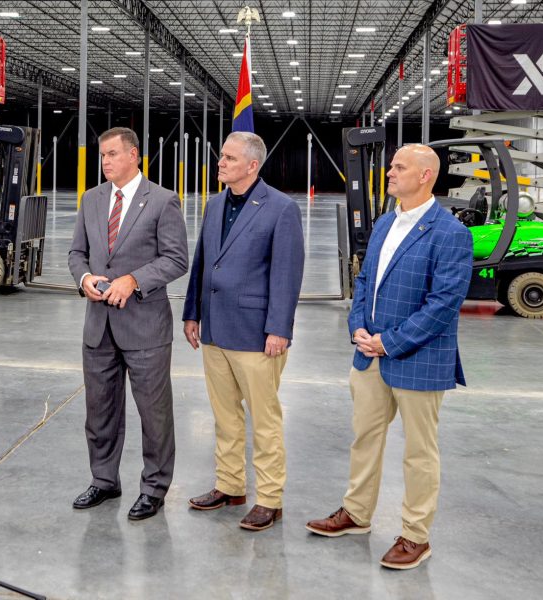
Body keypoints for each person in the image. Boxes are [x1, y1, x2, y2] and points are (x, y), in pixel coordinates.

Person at [305, 144, 473, 569]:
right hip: (369, 354)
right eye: (392, 166)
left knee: (419, 452)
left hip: (418, 356)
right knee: (364, 438)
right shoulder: (384, 222)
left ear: (425, 175)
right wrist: (357, 326)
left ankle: (416, 536)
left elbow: (444, 304)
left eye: (400, 167)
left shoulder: (450, 233)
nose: (390, 173)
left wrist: (389, 342)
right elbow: (363, 279)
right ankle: (356, 513)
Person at [182, 132, 304, 531]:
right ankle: (230, 485)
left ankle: (269, 499)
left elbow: (287, 274)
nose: (221, 162)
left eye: (230, 158)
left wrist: (279, 329)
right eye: (222, 156)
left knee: (264, 421)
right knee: (225, 416)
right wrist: (192, 313)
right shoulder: (215, 204)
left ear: (253, 165)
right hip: (215, 329)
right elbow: (203, 262)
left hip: (256, 334)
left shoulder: (281, 208)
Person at [68, 127, 188, 521]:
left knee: (154, 415)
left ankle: (154, 488)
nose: (105, 161)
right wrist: (85, 279)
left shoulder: (163, 201)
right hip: (98, 327)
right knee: (99, 411)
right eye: (102, 155)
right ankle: (104, 480)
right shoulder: (91, 199)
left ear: (134, 155)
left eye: (113, 154)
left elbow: (176, 259)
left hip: (145, 328)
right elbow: (77, 253)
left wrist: (134, 280)